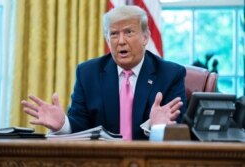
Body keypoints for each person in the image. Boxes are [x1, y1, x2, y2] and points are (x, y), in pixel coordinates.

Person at [21, 5, 187, 140]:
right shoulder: (87, 73)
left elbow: (180, 130)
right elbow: (80, 126)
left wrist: (155, 127)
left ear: (145, 37)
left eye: (129, 32)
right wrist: (63, 125)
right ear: (108, 40)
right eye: (114, 34)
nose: (121, 41)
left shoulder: (171, 74)